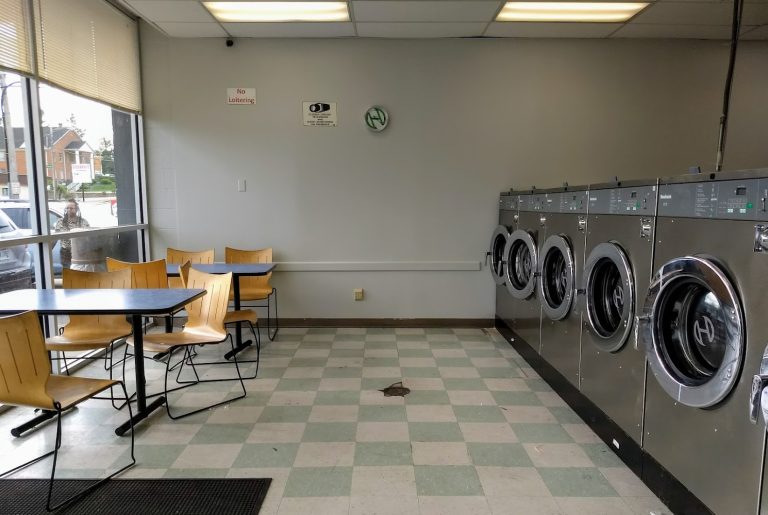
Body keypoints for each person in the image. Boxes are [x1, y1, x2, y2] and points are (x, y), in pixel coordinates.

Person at [54, 198, 90, 269]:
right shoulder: (60, 222)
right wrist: (47, 250)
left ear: (76, 209)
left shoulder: (83, 222)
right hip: (66, 253)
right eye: (67, 208)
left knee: (79, 272)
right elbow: (55, 238)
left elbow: (88, 238)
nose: (69, 210)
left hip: (80, 252)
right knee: (69, 272)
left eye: (71, 208)